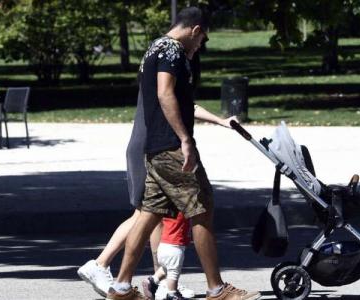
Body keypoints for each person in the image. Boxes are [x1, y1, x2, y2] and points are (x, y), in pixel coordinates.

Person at [106, 7, 260, 300]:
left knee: (148, 214)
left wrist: (219, 121)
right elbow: (165, 93)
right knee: (202, 207)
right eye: (201, 40)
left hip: (155, 148)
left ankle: (122, 287)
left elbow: (178, 100)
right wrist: (185, 140)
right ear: (195, 30)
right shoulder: (172, 51)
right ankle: (217, 289)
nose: (200, 46)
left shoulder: (155, 48)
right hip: (172, 148)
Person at [142, 213, 191, 300]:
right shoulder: (182, 209)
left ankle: (152, 281)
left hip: (163, 246)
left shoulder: (167, 212)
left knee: (165, 268)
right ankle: (172, 293)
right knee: (173, 272)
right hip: (174, 247)